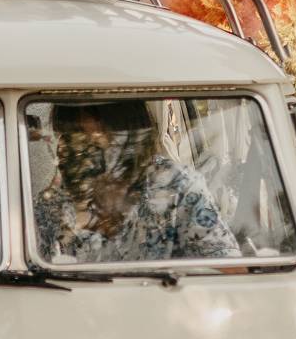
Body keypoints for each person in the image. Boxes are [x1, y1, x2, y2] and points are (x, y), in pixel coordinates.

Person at [32, 102, 242, 265]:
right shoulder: (54, 202)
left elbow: (225, 266)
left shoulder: (178, 186)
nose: (76, 149)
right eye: (68, 136)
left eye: (91, 137)